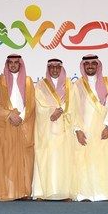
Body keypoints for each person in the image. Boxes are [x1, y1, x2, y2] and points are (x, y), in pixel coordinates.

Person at [0, 54, 36, 201]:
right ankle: (3, 192)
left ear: (20, 64)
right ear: (7, 64)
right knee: (5, 159)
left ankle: (23, 192)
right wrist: (9, 115)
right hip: (6, 124)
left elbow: (32, 103)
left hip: (23, 124)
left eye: (16, 62)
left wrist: (21, 117)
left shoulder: (28, 81)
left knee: (23, 160)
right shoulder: (0, 81)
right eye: (11, 62)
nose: (13, 65)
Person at [70, 54, 108, 201]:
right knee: (85, 160)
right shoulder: (77, 85)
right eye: (87, 64)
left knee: (103, 159)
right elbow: (73, 108)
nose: (90, 66)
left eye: (93, 63)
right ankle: (85, 193)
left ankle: (103, 193)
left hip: (102, 128)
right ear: (83, 66)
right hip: (85, 128)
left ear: (97, 65)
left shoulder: (107, 82)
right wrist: (77, 129)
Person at [33, 58, 74, 201]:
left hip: (64, 128)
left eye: (57, 67)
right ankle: (43, 192)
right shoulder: (41, 84)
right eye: (52, 67)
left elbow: (73, 102)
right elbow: (39, 104)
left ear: (61, 69)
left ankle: (64, 193)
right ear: (48, 69)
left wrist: (61, 109)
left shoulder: (69, 84)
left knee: (63, 159)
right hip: (47, 127)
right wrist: (53, 111)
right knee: (46, 158)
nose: (55, 70)